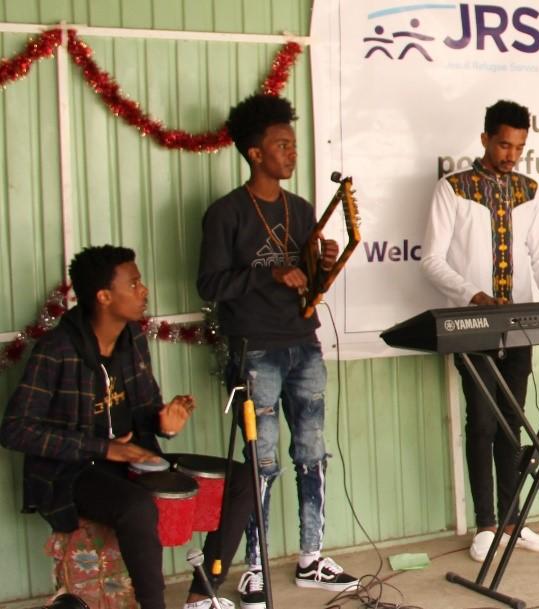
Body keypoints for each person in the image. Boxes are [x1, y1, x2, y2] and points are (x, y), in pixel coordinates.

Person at [2, 245, 257, 609]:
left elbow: (146, 407)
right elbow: (15, 429)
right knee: (137, 507)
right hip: (72, 473)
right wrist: (103, 448)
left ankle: (202, 595)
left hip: (134, 459)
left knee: (241, 479)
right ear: (104, 296)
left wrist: (163, 421)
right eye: (134, 284)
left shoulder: (132, 338)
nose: (144, 291)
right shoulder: (56, 350)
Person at [197, 93, 358, 603]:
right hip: (256, 350)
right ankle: (256, 566)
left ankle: (312, 556)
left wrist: (324, 261)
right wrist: (268, 273)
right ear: (254, 153)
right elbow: (209, 284)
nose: (291, 153)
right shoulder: (226, 213)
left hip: (303, 345)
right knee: (259, 462)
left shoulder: (301, 208)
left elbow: (309, 282)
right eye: (281, 145)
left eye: (292, 144)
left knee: (312, 452)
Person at [421, 100, 539, 560]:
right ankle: (486, 525)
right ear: (486, 138)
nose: (511, 155)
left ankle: (513, 521)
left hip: (520, 323)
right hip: (474, 323)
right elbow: (431, 259)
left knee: (514, 421)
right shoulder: (453, 189)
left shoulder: (529, 190)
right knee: (483, 422)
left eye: (520, 147)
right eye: (505, 144)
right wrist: (473, 295)